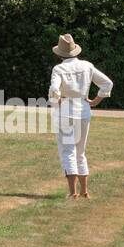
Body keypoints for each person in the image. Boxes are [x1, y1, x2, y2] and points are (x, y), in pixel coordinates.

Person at [47, 33, 113, 199]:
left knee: (68, 151)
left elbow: (54, 89)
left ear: (59, 53)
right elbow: (107, 83)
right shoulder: (87, 66)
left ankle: (73, 193)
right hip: (83, 110)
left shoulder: (58, 69)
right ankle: (84, 191)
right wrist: (96, 101)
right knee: (80, 152)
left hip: (66, 111)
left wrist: (57, 100)